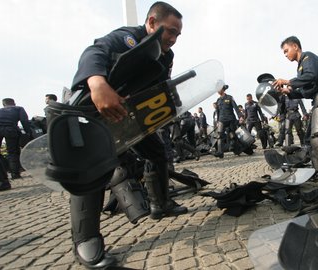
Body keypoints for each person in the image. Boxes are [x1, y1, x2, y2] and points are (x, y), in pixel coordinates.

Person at [65, 2, 187, 267]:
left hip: (132, 117)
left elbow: (159, 84)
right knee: (92, 168)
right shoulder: (127, 37)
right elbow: (94, 51)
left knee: (157, 152)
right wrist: (97, 82)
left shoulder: (165, 55)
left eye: (178, 35)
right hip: (97, 115)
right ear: (152, 23)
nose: (174, 39)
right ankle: (86, 241)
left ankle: (160, 204)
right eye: (170, 31)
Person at [272, 36, 318, 189]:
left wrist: (288, 81)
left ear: (295, 46)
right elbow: (305, 92)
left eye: (286, 51)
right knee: (310, 140)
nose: (285, 55)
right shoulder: (300, 68)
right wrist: (287, 92)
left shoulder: (308, 57)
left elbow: (310, 76)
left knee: (317, 138)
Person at [0, 98, 31, 180]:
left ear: (3, 104)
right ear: (14, 103)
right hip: (11, 130)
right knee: (12, 152)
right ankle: (15, 174)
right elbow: (24, 121)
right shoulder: (18, 108)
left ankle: (3, 174)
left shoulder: (0, 110)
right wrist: (28, 133)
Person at [214, 84, 241, 158]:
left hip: (231, 119)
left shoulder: (229, 97)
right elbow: (218, 111)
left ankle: (237, 149)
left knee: (233, 135)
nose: (217, 91)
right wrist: (217, 122)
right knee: (219, 135)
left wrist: (240, 116)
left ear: (222, 89)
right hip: (222, 120)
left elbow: (235, 107)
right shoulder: (218, 100)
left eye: (218, 89)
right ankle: (220, 152)